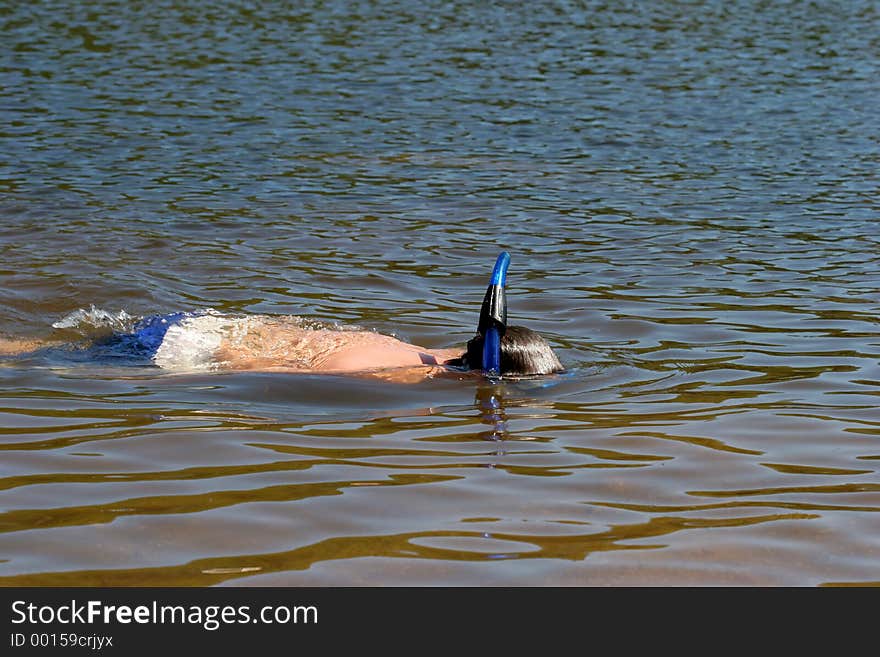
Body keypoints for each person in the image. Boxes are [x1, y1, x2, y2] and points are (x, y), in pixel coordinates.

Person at [0, 253, 564, 379]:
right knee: (35, 354)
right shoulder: (384, 370)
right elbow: (254, 366)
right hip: (185, 348)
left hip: (199, 326)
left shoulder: (411, 351)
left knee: (47, 347)